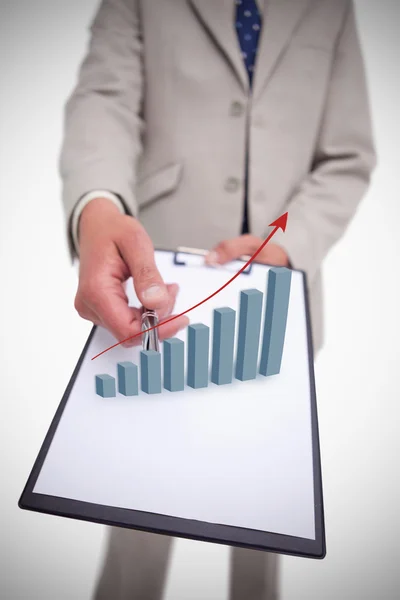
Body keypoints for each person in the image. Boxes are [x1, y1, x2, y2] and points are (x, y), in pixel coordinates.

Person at [59, 0, 376, 598]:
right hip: (160, 293)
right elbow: (104, 100)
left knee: (263, 520)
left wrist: (293, 242)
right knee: (139, 512)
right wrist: (97, 205)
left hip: (277, 308)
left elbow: (348, 157)